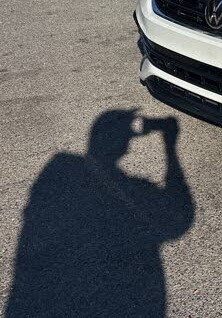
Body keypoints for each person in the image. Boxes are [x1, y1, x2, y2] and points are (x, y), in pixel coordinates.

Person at [5, 109, 194, 317]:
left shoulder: (60, 166)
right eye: (128, 132)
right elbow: (178, 222)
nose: (130, 138)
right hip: (131, 297)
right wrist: (169, 145)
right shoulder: (76, 170)